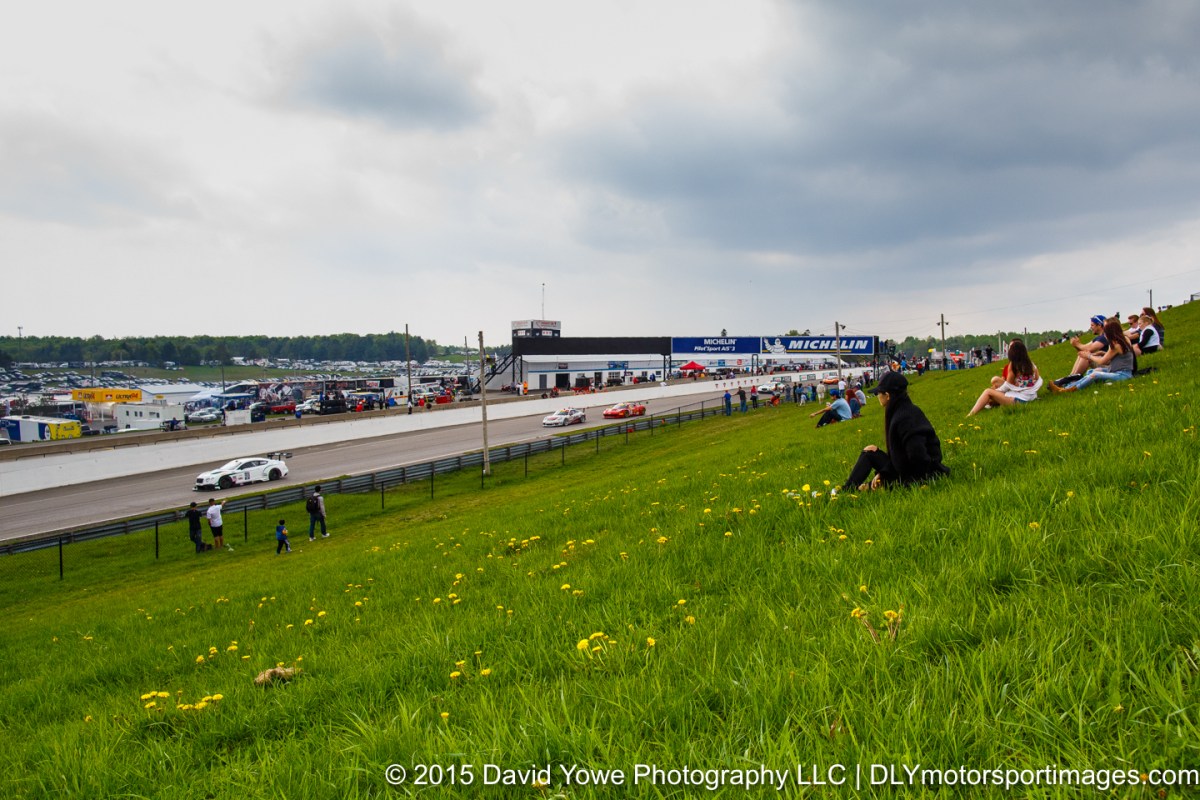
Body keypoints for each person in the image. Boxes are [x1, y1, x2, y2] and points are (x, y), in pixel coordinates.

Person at [841, 372, 950, 491]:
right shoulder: (901, 410)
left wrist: (890, 478)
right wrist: (885, 472)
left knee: (874, 481)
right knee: (870, 452)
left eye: (878, 393)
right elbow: (903, 456)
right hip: (907, 467)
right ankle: (848, 489)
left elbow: (918, 457)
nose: (877, 396)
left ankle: (855, 490)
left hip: (923, 474)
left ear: (887, 395)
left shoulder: (906, 418)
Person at [1050, 317, 1135, 393]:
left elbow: (1103, 361)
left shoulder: (1116, 344)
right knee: (1091, 371)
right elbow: (1120, 356)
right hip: (1116, 371)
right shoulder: (1123, 339)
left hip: (1122, 375)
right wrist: (1102, 353)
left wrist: (1089, 356)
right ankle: (1068, 386)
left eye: (1105, 327)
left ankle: (1069, 390)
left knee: (1095, 375)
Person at [967, 338, 1041, 416]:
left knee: (987, 392)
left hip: (1020, 400)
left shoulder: (1013, 365)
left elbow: (1007, 386)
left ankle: (970, 415)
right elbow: (1037, 378)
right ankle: (988, 404)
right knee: (994, 391)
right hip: (1031, 397)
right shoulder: (1031, 364)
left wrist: (996, 391)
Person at [1055, 314, 1109, 386]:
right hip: (1105, 362)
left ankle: (1071, 380)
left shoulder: (1104, 337)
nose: (1091, 327)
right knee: (1083, 355)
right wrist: (1076, 345)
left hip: (1109, 365)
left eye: (1092, 325)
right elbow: (1084, 349)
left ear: (1099, 325)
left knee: (1086, 356)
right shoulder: (1099, 337)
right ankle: (1070, 378)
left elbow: (1089, 349)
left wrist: (1077, 344)